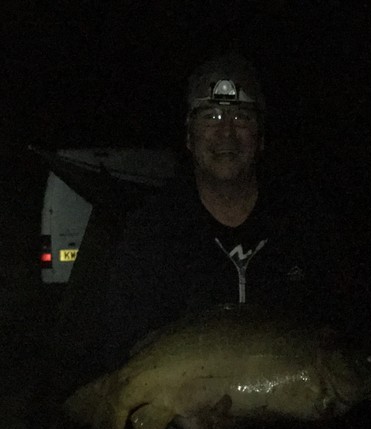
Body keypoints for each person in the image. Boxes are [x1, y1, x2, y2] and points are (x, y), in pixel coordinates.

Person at [99, 52, 346, 371]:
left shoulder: (305, 225)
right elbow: (122, 348)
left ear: (260, 137)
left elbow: (339, 332)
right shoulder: (151, 232)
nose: (226, 133)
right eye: (211, 116)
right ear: (189, 136)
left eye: (241, 117)